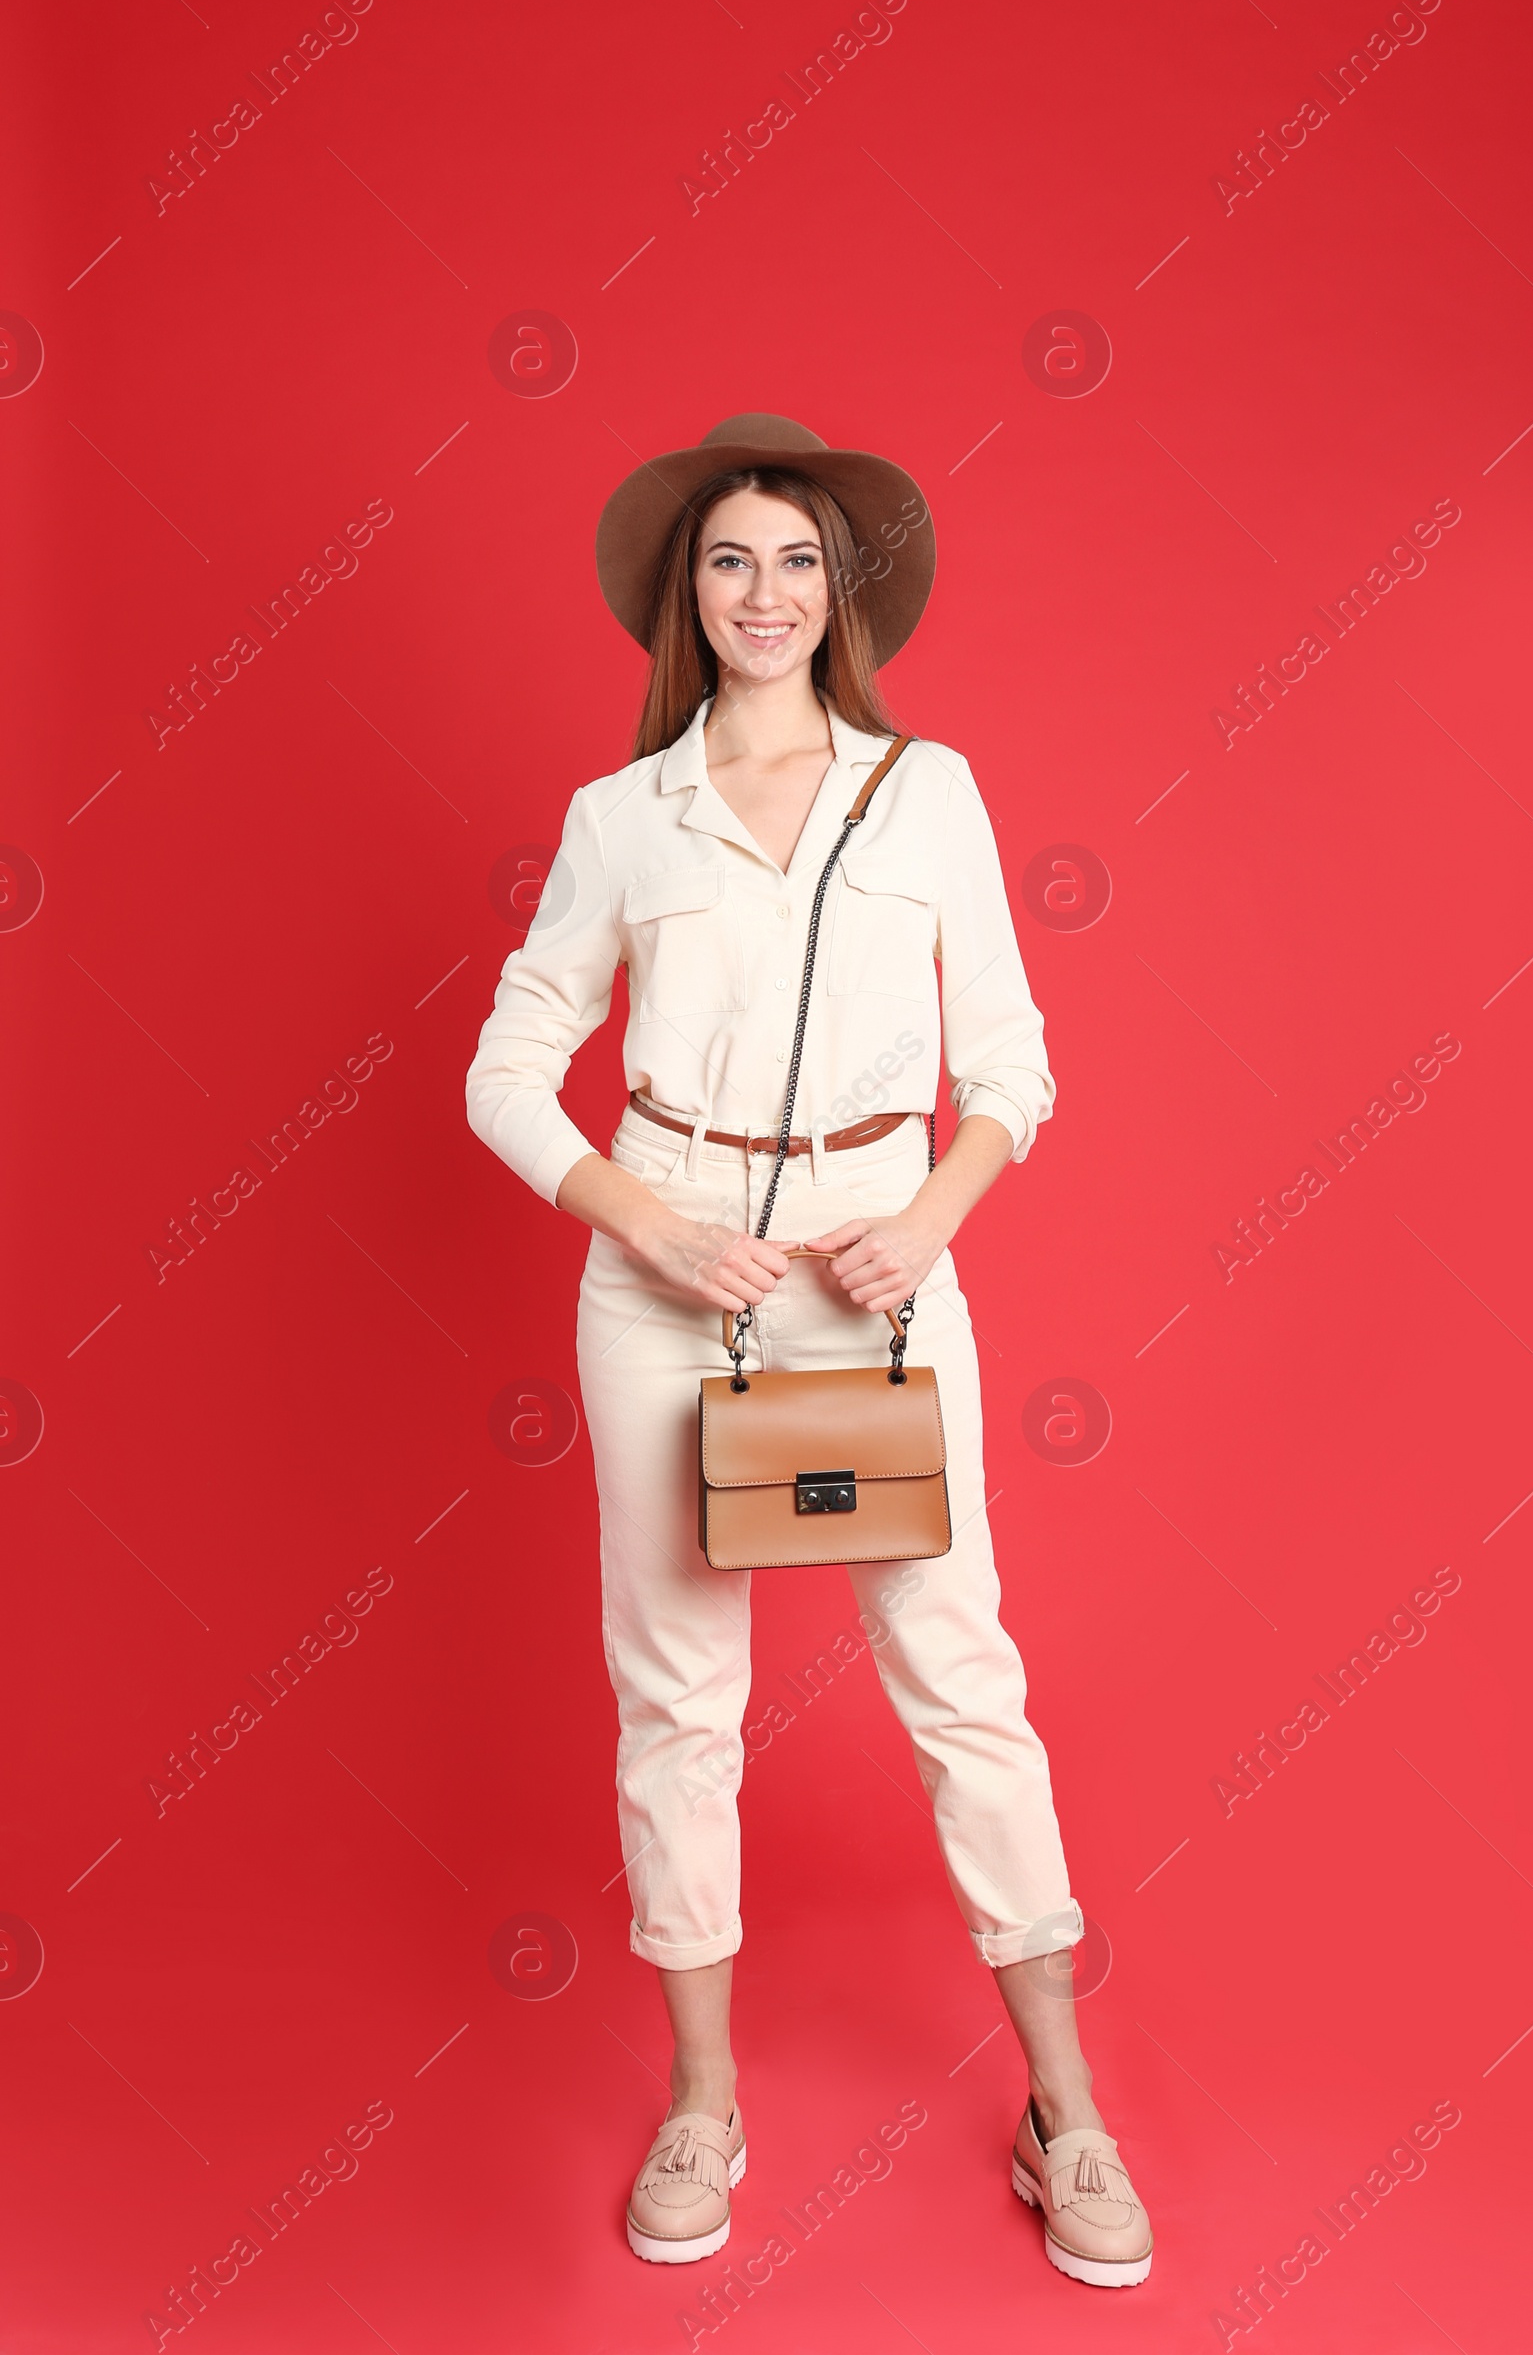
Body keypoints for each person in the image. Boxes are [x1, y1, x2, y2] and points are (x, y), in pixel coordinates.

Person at [464, 414, 1152, 2288]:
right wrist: (655, 1227)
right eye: (727, 562)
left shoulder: (929, 794)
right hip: (671, 1296)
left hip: (884, 1281)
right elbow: (505, 1074)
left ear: (840, 594)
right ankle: (705, 2102)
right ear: (684, 601)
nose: (762, 594)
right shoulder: (626, 823)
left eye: (793, 561)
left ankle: (1066, 2113)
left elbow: (1010, 1062)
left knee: (960, 1672)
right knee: (678, 1694)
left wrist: (929, 1217)